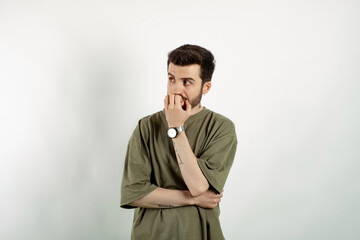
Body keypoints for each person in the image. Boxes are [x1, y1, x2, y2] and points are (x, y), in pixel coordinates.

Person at [120, 44, 237, 240]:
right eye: (171, 79)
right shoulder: (146, 126)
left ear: (205, 87)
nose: (176, 89)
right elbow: (134, 194)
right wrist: (192, 200)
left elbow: (198, 186)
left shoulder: (221, 127)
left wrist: (176, 128)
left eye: (187, 82)